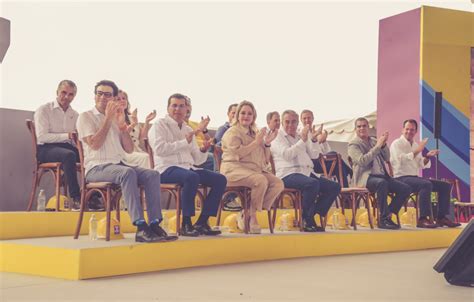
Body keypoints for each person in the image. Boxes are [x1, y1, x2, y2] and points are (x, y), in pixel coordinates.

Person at [76, 80, 176, 243]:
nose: (102, 97)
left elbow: (129, 149)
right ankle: (141, 227)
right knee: (127, 173)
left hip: (119, 164)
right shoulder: (85, 117)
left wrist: (123, 129)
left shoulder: (117, 118)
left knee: (152, 174)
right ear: (94, 96)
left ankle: (154, 224)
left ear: (114, 98)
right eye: (99, 93)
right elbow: (94, 144)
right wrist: (108, 119)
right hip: (96, 168)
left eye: (107, 94)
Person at [149, 93, 226, 237]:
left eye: (181, 106)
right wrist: (184, 142)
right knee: (191, 177)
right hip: (165, 169)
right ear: (168, 108)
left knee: (220, 179)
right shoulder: (159, 125)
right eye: (174, 105)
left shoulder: (187, 129)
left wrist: (203, 149)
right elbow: (159, 149)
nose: (177, 109)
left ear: (186, 109)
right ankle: (186, 223)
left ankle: (202, 222)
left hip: (188, 168)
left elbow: (197, 160)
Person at [34, 80, 101, 210]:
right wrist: (67, 136)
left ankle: (92, 197)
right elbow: (41, 137)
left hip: (66, 149)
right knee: (69, 155)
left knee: (90, 156)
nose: (66, 97)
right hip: (45, 149)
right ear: (57, 92)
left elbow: (77, 138)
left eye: (70, 94)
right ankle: (76, 198)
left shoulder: (75, 115)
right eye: (63, 92)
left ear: (74, 97)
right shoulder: (44, 110)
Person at [220, 100, 284, 234]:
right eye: (243, 113)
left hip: (254, 170)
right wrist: (256, 143)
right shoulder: (232, 132)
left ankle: (247, 211)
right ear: (237, 115)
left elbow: (265, 160)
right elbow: (238, 153)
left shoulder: (256, 133)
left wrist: (266, 144)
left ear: (253, 117)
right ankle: (252, 217)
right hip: (234, 169)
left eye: (250, 114)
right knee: (260, 180)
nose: (246, 116)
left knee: (278, 183)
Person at [271, 110, 341, 232]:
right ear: (282, 122)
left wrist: (313, 140)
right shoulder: (277, 137)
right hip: (287, 174)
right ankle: (307, 220)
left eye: (293, 122)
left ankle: (310, 215)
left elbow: (314, 155)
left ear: (298, 123)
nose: (290, 125)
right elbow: (288, 155)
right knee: (312, 184)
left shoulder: (300, 136)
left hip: (306, 173)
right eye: (287, 122)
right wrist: (302, 141)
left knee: (334, 187)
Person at [390, 119, 460, 228]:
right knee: (425, 184)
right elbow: (402, 160)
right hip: (401, 178)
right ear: (402, 130)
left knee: (445, 185)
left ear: (415, 131)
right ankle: (423, 219)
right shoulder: (396, 144)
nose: (409, 131)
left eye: (412, 130)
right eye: (407, 129)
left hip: (414, 178)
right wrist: (418, 150)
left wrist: (427, 156)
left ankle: (441, 218)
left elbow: (421, 164)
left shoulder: (415, 145)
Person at [348, 117, 411, 230]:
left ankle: (388, 214)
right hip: (365, 178)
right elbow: (362, 161)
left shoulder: (373, 140)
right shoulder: (353, 144)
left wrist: (383, 145)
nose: (362, 128)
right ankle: (383, 220)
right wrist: (377, 146)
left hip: (382, 176)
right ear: (355, 129)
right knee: (381, 183)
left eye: (364, 126)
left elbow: (387, 157)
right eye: (359, 126)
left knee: (405, 188)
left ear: (368, 127)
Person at [300, 109, 352, 187]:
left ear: (312, 119)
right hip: (311, 164)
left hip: (323, 162)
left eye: (309, 118)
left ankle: (345, 191)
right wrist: (314, 140)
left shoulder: (316, 132)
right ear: (301, 120)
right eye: (304, 118)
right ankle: (349, 171)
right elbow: (313, 154)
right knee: (335, 155)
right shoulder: (301, 134)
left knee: (338, 164)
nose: (307, 120)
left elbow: (327, 151)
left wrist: (324, 142)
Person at [117, 90, 156, 168]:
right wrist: (132, 125)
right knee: (145, 158)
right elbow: (120, 138)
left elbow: (141, 138)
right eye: (118, 99)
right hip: (123, 152)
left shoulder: (132, 118)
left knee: (150, 157)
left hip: (137, 151)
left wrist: (147, 121)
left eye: (124, 98)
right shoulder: (113, 118)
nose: (122, 101)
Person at [214, 103, 242, 211]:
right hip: (225, 161)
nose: (235, 116)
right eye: (233, 113)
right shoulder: (224, 128)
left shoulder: (243, 130)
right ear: (228, 114)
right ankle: (228, 200)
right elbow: (216, 147)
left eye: (237, 113)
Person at [184, 97, 215, 171]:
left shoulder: (195, 123)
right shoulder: (179, 124)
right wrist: (198, 129)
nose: (187, 108)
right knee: (210, 157)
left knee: (214, 148)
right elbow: (185, 140)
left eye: (188, 105)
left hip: (205, 149)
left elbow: (209, 141)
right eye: (184, 105)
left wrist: (204, 130)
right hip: (191, 153)